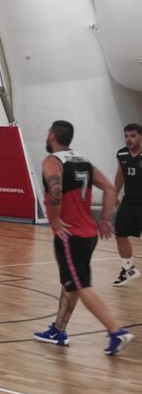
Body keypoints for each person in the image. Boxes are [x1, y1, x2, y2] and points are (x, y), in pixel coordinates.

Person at [32, 120, 133, 355]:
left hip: (71, 234)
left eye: (48, 134)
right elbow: (110, 188)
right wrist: (105, 219)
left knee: (80, 285)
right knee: (71, 284)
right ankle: (58, 330)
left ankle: (116, 331)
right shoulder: (83, 161)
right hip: (88, 234)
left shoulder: (52, 161)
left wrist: (54, 220)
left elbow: (56, 189)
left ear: (53, 136)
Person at [112, 122, 142, 286]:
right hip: (129, 201)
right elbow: (120, 176)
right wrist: (114, 195)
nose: (129, 139)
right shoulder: (122, 153)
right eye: (126, 136)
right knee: (120, 234)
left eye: (133, 136)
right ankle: (128, 269)